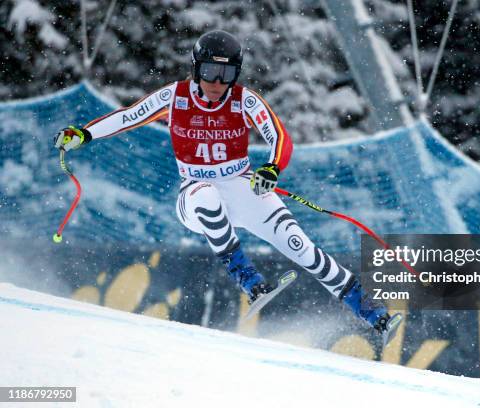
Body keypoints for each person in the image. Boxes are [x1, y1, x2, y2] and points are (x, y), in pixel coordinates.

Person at [54, 30, 393, 335]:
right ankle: (248, 278)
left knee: (301, 247)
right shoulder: (175, 97)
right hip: (194, 194)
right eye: (210, 72)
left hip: (242, 185)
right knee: (206, 196)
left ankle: (372, 313)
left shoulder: (243, 100)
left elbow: (279, 137)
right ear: (195, 69)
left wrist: (271, 169)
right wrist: (84, 134)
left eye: (227, 74)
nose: (217, 82)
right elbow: (128, 117)